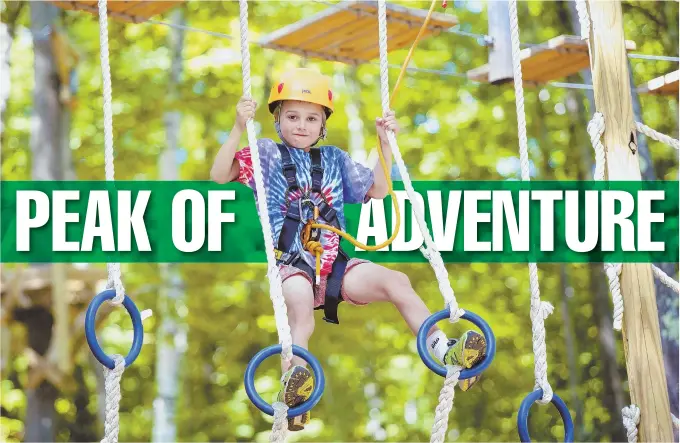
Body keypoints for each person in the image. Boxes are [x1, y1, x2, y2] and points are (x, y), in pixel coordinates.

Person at [210, 68, 486, 431]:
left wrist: (384, 143)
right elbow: (219, 174)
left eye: (311, 118)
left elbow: (378, 189)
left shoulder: (336, 161)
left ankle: (442, 349)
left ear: (323, 124)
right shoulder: (266, 155)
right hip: (292, 263)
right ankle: (296, 393)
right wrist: (237, 126)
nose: (302, 125)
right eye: (292, 116)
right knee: (299, 314)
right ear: (277, 120)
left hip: (336, 264)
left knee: (397, 280)